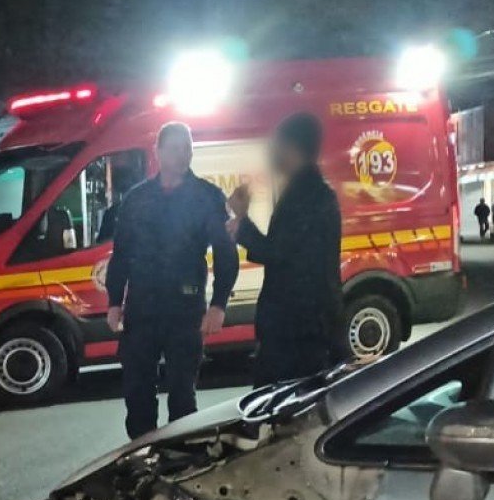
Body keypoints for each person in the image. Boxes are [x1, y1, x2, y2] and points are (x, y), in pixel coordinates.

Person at [104, 121, 237, 439]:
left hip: (184, 309)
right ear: (158, 152)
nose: (183, 155)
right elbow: (121, 253)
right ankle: (141, 462)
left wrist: (219, 304)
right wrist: (113, 302)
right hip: (142, 310)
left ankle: (181, 464)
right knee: (138, 397)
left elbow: (225, 253)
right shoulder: (137, 199)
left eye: (188, 147)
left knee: (182, 397)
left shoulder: (206, 197)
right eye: (175, 148)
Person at [228, 111, 343, 387]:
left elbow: (278, 252)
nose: (271, 153)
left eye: (275, 145)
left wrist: (242, 222)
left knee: (288, 414)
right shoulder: (308, 191)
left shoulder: (308, 195)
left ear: (291, 148)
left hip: (298, 334)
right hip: (302, 330)